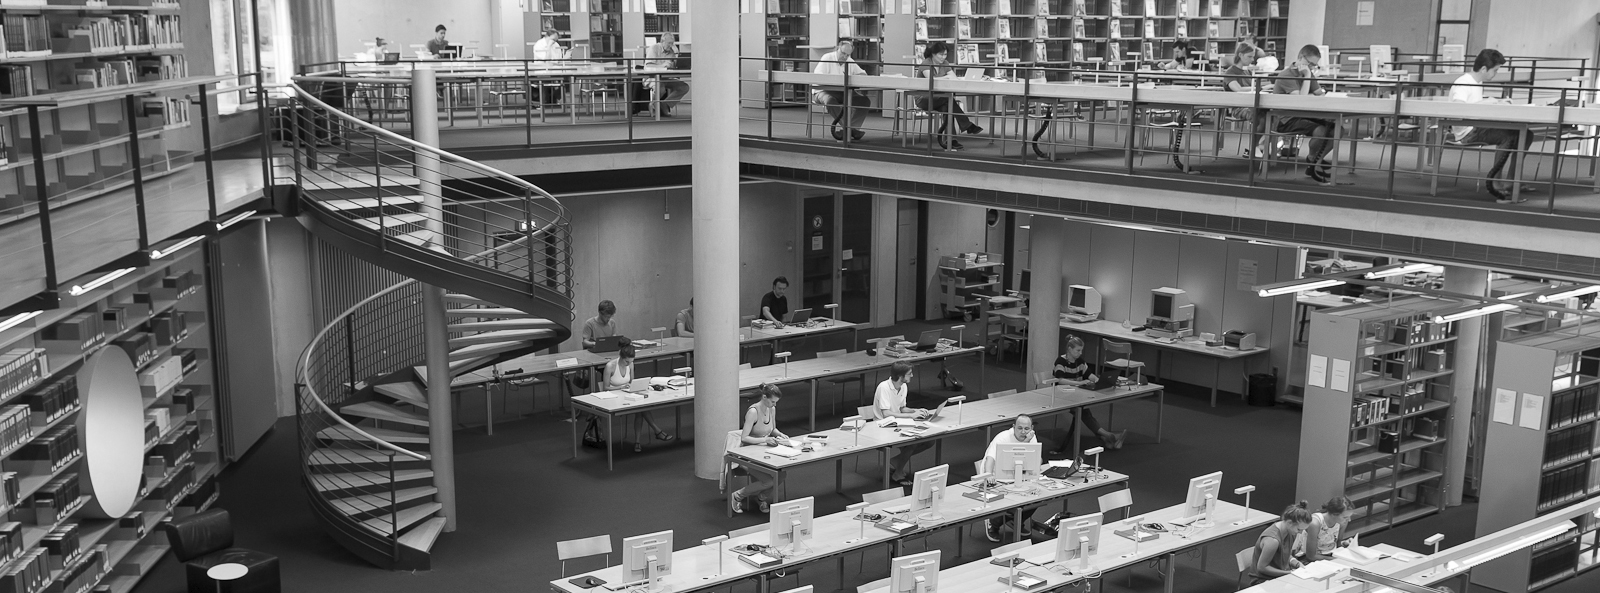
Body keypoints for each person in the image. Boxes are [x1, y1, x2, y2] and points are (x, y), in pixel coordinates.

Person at [1449, 48, 1531, 204]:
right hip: (1468, 132)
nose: (1496, 74)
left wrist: (1496, 102)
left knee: (1527, 134)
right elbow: (1458, 108)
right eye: (1495, 70)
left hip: (1478, 125)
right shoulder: (1463, 83)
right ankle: (1495, 183)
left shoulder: (1476, 82)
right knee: (1508, 136)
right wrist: (1488, 102)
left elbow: (1474, 105)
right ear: (1484, 69)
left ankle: (1511, 180)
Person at [1270, 45, 1341, 186]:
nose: (1313, 68)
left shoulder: (1309, 73)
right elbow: (1299, 102)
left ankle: (1314, 161)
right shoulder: (1286, 75)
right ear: (1301, 58)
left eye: (1315, 65)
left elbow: (1319, 93)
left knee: (1338, 129)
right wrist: (1307, 75)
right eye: (1311, 64)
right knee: (1321, 131)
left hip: (1303, 114)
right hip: (1286, 119)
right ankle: (1313, 162)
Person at [1049, 335, 1126, 452]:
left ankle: (1105, 436)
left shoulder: (1080, 362)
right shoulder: (1060, 361)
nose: (1080, 353)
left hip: (1076, 395)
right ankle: (1109, 436)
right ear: (1069, 349)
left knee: (1084, 411)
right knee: (1084, 412)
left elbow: (1089, 375)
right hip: (1061, 397)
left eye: (1081, 350)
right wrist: (1078, 383)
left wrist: (1099, 381)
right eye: (1078, 350)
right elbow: (1060, 380)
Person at [730, 384, 790, 514]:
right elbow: (744, 438)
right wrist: (765, 440)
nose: (774, 405)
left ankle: (761, 497)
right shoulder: (753, 412)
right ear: (764, 397)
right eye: (772, 401)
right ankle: (737, 496)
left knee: (781, 475)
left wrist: (780, 434)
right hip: (748, 455)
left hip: (764, 451)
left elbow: (772, 429)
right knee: (769, 480)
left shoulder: (771, 409)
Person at [603, 340, 671, 452]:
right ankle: (655, 432)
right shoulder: (610, 366)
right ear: (620, 357)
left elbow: (632, 382)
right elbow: (605, 388)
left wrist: (634, 387)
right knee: (640, 409)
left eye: (630, 362)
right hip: (614, 397)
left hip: (627, 394)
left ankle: (639, 441)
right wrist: (621, 388)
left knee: (641, 407)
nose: (628, 364)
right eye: (626, 362)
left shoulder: (631, 364)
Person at [915, 41, 984, 151]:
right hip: (924, 98)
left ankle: (951, 140)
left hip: (940, 99)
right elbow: (931, 80)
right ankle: (967, 125)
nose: (943, 57)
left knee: (948, 108)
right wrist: (946, 78)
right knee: (949, 100)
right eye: (941, 54)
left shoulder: (945, 63)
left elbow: (954, 78)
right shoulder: (926, 63)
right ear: (933, 54)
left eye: (945, 54)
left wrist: (951, 78)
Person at [874, 361, 933, 484]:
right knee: (911, 443)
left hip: (898, 423)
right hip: (883, 426)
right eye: (909, 374)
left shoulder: (903, 386)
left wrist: (916, 410)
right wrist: (911, 416)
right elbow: (886, 413)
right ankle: (898, 473)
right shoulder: (883, 387)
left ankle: (897, 460)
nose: (911, 376)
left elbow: (902, 408)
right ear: (901, 376)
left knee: (929, 441)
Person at [982, 415, 1037, 542]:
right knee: (1009, 498)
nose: (1023, 432)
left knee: (1037, 496)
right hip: (997, 477)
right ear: (1013, 427)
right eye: (1020, 428)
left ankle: (1016, 520)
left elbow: (1034, 457)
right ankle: (993, 524)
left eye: (1027, 428)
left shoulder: (1031, 436)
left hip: (1019, 475)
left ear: (1032, 428)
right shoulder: (1003, 437)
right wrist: (988, 475)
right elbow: (990, 458)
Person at [812, 39, 872, 142]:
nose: (845, 57)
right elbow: (818, 78)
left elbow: (863, 74)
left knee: (864, 101)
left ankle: (849, 129)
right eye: (843, 53)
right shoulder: (827, 58)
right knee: (830, 101)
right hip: (822, 91)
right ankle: (850, 129)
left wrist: (856, 76)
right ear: (837, 49)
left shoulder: (849, 60)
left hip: (842, 92)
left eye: (847, 55)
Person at [1250, 501, 1314, 584]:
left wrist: (1297, 563)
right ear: (1289, 523)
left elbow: (1285, 554)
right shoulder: (1272, 540)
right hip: (1262, 580)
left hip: (1281, 574)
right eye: (1299, 529)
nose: (1301, 533)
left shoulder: (1291, 531)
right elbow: (1262, 568)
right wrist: (1290, 573)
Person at [643, 33, 691, 117]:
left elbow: (675, 66)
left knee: (684, 87)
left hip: (665, 77)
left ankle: (665, 104)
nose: (671, 45)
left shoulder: (672, 51)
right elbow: (648, 65)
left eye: (672, 43)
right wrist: (662, 65)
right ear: (662, 41)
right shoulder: (654, 48)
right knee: (660, 88)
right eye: (669, 43)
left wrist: (676, 55)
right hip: (651, 77)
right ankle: (653, 105)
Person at [1297, 496, 1352, 562]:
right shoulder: (1315, 523)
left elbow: (1338, 544)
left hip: (1331, 555)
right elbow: (1311, 556)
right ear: (1334, 514)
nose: (1349, 520)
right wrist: (1337, 560)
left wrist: (1345, 544)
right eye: (1345, 517)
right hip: (1309, 559)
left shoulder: (1342, 522)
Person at [530, 29, 566, 106]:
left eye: (556, 39)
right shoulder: (539, 45)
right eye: (553, 39)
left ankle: (556, 98)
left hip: (555, 69)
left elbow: (558, 60)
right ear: (547, 37)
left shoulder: (556, 45)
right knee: (546, 78)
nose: (554, 41)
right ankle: (545, 101)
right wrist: (549, 46)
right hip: (542, 70)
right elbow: (546, 59)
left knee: (566, 78)